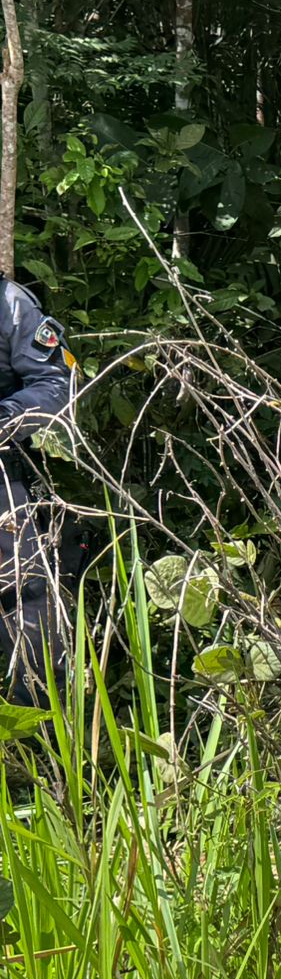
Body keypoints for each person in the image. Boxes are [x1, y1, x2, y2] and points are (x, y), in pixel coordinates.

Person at [0, 276, 73, 705]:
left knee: (27, 604)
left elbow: (57, 386)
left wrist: (5, 418)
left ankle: (45, 753)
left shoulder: (9, 303)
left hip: (2, 479)